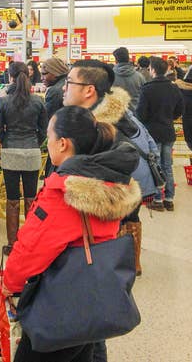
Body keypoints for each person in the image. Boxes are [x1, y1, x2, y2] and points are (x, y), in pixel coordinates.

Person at [2, 106, 141, 362]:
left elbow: (32, 249)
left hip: (59, 308)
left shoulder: (62, 193)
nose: (48, 141)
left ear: (63, 143)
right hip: (91, 302)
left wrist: (9, 284)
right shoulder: (108, 181)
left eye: (49, 135)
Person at [64, 59, 159, 276]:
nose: (64, 87)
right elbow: (149, 142)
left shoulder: (97, 124)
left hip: (126, 179)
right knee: (131, 218)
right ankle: (133, 263)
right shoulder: (120, 110)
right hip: (139, 176)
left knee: (111, 221)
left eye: (69, 82)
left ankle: (114, 264)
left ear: (89, 90)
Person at [0, 62, 48, 254]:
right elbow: (43, 131)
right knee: (31, 198)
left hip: (10, 153)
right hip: (32, 152)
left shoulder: (3, 101)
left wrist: (6, 141)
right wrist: (34, 142)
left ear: (11, 77)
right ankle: (31, 242)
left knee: (12, 198)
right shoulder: (38, 101)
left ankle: (12, 244)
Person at [136, 57, 184, 211]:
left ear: (153, 70)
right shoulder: (174, 88)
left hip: (152, 132)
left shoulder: (147, 89)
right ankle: (169, 199)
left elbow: (141, 114)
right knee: (167, 166)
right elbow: (179, 110)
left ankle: (157, 199)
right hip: (168, 131)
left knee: (154, 165)